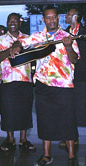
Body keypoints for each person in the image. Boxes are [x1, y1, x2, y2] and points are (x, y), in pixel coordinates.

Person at [10, 6, 80, 166]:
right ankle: (47, 155)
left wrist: (68, 47)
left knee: (68, 121)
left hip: (64, 85)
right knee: (45, 121)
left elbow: (75, 59)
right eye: (48, 18)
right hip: (43, 86)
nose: (51, 20)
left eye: (54, 17)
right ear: (43, 20)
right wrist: (16, 46)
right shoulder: (38, 37)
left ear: (58, 17)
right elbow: (20, 41)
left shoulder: (68, 36)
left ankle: (71, 157)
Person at [0, 13, 36, 153]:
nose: (12, 23)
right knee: (8, 110)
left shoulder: (27, 39)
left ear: (20, 22)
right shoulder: (1, 39)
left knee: (25, 109)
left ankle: (23, 139)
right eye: (10, 20)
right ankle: (10, 139)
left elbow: (34, 57)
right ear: (7, 23)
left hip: (25, 80)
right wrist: (9, 50)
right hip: (8, 80)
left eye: (15, 20)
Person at [59, 7, 86, 148]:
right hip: (66, 77)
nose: (66, 16)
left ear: (75, 17)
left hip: (83, 76)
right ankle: (71, 137)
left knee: (82, 107)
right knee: (69, 108)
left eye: (68, 14)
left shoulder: (84, 33)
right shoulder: (63, 34)